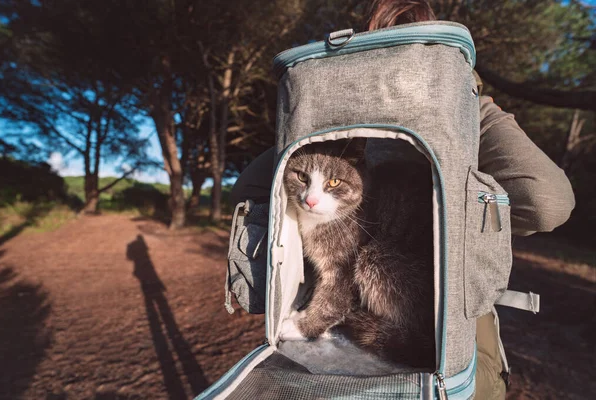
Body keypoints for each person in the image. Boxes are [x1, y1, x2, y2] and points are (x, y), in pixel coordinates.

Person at [230, 1, 576, 398]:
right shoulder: (465, 110)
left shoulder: (330, 114)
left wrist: (307, 117)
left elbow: (248, 193)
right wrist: (473, 227)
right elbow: (544, 200)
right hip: (451, 336)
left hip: (357, 336)